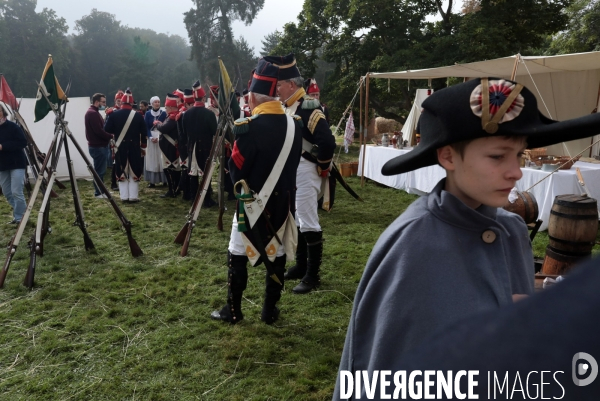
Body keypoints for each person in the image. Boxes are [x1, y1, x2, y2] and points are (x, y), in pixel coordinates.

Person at [332, 78, 600, 399]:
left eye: (518, 154)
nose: (516, 171)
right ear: (448, 158)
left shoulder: (512, 231)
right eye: (498, 156)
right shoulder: (411, 245)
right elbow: (383, 371)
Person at [211, 58, 303, 325]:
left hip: (251, 206)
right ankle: (269, 311)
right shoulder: (295, 125)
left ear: (251, 97)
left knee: (237, 252)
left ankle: (234, 310)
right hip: (283, 204)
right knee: (278, 253)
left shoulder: (247, 128)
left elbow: (237, 172)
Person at [264, 53, 337, 294]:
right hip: (294, 171)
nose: (277, 90)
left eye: (281, 85)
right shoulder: (288, 107)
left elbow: (327, 142)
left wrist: (322, 166)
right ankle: (302, 265)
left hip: (306, 170)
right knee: (297, 218)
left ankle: (312, 275)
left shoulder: (308, 107)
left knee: (308, 221)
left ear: (292, 85)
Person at [104, 89, 147, 203]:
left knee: (121, 170)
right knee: (134, 171)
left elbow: (107, 129)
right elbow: (144, 133)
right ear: (132, 103)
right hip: (134, 147)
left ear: (122, 103)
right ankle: (133, 196)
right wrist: (143, 147)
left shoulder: (113, 114)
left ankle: (124, 196)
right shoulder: (138, 115)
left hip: (120, 146)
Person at [179, 81, 218, 205]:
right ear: (204, 98)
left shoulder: (186, 114)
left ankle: (193, 198)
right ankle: (206, 199)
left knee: (193, 173)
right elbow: (215, 132)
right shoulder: (209, 114)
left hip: (191, 147)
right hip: (205, 146)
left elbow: (184, 133)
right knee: (206, 173)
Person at [0, 104, 27, 225]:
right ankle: (21, 213)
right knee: (7, 192)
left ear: (3, 112)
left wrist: (3, 146)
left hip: (17, 163)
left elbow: (23, 142)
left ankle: (20, 217)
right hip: (2, 165)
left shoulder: (13, 127)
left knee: (16, 191)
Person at [84, 93, 114, 198]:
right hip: (98, 146)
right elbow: (99, 131)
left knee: (101, 170)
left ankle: (102, 190)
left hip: (98, 146)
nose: (105, 104)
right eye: (103, 102)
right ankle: (98, 192)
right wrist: (111, 136)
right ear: (97, 102)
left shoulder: (93, 112)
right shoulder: (92, 113)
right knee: (99, 171)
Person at [156, 93, 182, 198]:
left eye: (166, 107)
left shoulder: (172, 117)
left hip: (169, 148)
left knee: (168, 169)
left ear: (171, 107)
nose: (165, 109)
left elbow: (163, 128)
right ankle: (176, 189)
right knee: (175, 169)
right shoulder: (174, 116)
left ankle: (172, 191)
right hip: (171, 147)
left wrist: (157, 124)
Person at [144, 96, 167, 188]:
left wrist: (158, 136)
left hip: (160, 137)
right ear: (152, 104)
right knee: (152, 159)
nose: (157, 103)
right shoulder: (148, 114)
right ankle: (152, 181)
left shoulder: (163, 113)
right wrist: (150, 137)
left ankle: (164, 180)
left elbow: (165, 125)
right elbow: (146, 126)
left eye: (158, 102)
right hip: (151, 138)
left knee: (161, 158)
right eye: (155, 102)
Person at [106, 90, 124, 191]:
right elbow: (107, 126)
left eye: (121, 100)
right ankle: (114, 182)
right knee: (115, 162)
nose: (119, 101)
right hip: (115, 139)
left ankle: (122, 179)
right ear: (115, 100)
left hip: (124, 139)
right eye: (118, 100)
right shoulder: (111, 111)